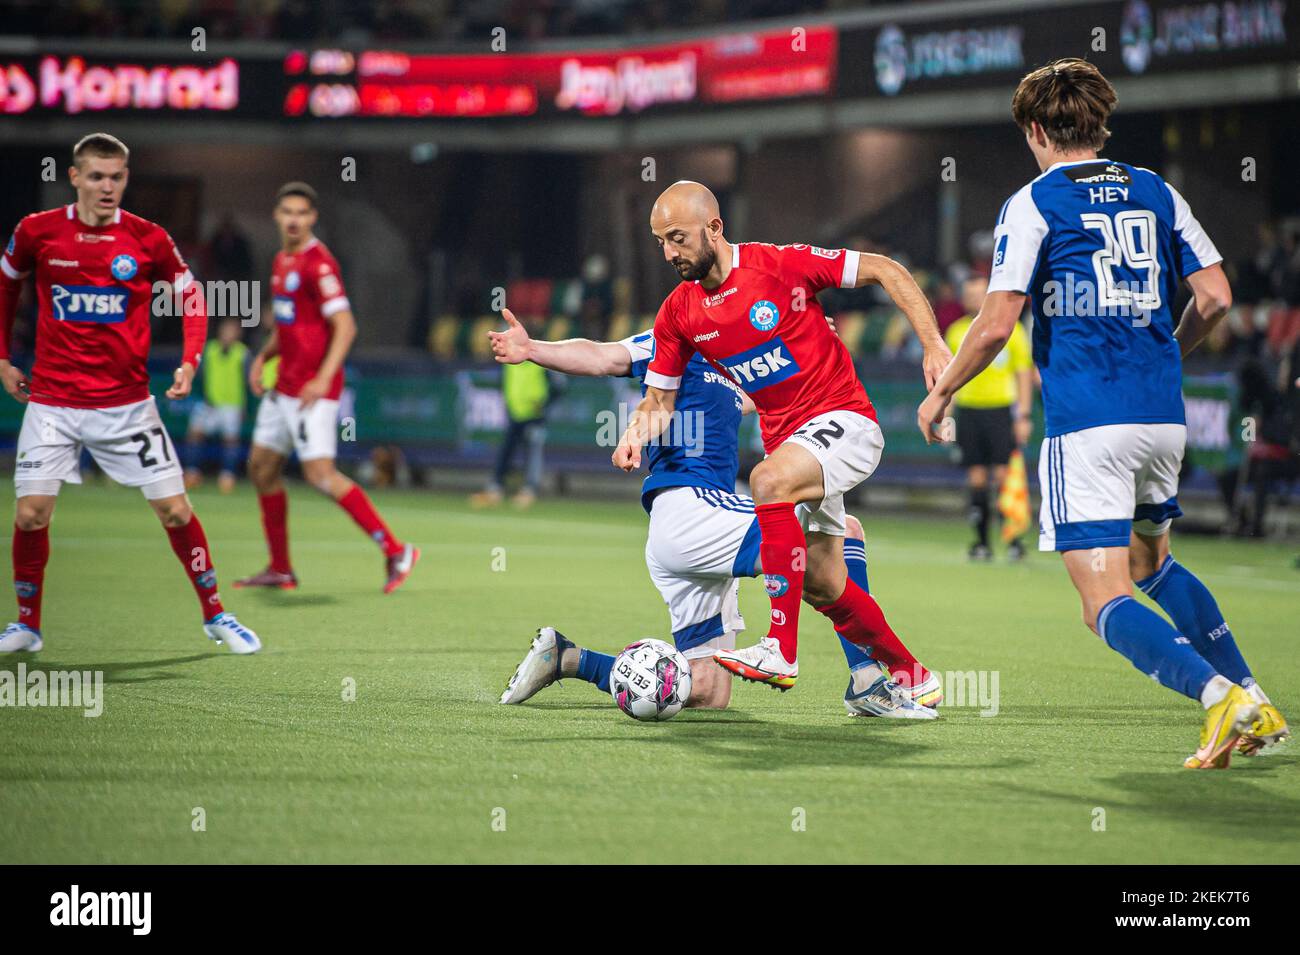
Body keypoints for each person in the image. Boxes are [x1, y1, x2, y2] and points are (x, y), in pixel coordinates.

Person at [917, 58, 1287, 767]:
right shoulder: (1157, 191)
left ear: (1034, 129)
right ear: (1100, 121)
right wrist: (1169, 350)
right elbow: (1214, 296)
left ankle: (1221, 698)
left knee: (1100, 599)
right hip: (1161, 416)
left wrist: (942, 391)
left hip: (1090, 421)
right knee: (1152, 560)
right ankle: (1253, 694)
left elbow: (995, 325)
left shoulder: (1032, 204)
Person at [491, 311, 934, 717]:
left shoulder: (733, 368)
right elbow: (601, 355)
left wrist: (810, 348)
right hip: (690, 510)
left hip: (698, 532)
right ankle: (870, 678)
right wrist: (533, 350)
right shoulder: (674, 344)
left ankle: (570, 659)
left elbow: (771, 395)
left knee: (706, 690)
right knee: (833, 540)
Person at [614, 181, 948, 700]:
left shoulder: (778, 266)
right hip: (792, 443)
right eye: (661, 241)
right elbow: (658, 402)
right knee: (824, 580)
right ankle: (909, 678)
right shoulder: (678, 313)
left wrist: (933, 348)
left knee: (766, 479)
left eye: (678, 238)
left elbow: (886, 269)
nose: (669, 252)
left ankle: (779, 648)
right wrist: (635, 433)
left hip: (845, 421)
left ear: (715, 228)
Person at [0, 133, 259, 654]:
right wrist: (4, 357)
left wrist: (190, 361)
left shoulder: (148, 239)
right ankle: (27, 624)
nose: (107, 187)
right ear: (74, 178)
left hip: (127, 407)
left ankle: (216, 614)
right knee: (30, 514)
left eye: (116, 177)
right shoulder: (37, 231)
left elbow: (191, 298)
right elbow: (7, 286)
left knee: (177, 512)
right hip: (53, 403)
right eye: (96, 176)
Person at [236, 182, 418, 594]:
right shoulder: (282, 260)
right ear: (277, 216)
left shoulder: (319, 264)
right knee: (261, 468)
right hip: (284, 387)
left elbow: (346, 326)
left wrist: (322, 378)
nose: (295, 219)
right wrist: (264, 357)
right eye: (288, 212)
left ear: (312, 217)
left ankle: (395, 549)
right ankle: (281, 568)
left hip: (312, 392)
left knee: (320, 475)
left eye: (302, 212)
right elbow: (290, 325)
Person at [943, 275, 1034, 560]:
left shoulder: (1011, 330)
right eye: (969, 293)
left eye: (979, 293)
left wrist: (1024, 416)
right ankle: (982, 543)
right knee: (977, 478)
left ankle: (1014, 540)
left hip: (1000, 410)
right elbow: (948, 379)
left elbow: (1023, 375)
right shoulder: (957, 332)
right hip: (969, 412)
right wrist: (946, 417)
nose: (973, 298)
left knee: (1005, 477)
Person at [469, 353, 554, 510]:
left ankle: (529, 490)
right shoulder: (508, 362)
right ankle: (496, 489)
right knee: (506, 452)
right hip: (515, 415)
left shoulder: (541, 361)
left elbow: (557, 387)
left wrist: (544, 405)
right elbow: (505, 385)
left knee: (532, 454)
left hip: (535, 416)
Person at [184, 316, 249, 493]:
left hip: (232, 404)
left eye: (232, 330)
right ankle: (192, 473)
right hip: (210, 403)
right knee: (195, 434)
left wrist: (244, 405)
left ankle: (227, 477)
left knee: (230, 442)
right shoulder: (210, 349)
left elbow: (246, 380)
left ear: (238, 333)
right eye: (226, 330)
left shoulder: (242, 353)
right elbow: (201, 375)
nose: (228, 334)